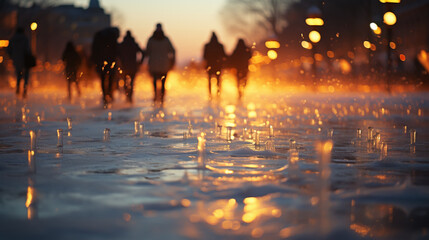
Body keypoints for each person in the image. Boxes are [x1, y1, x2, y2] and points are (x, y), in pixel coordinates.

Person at [146, 23, 175, 104]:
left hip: (154, 65)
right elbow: (172, 51)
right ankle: (160, 98)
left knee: (156, 82)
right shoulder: (166, 39)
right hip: (163, 65)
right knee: (161, 83)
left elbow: (147, 52)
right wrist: (172, 62)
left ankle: (157, 97)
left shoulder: (151, 39)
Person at [91, 27, 120, 106]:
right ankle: (110, 94)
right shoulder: (112, 37)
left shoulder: (98, 36)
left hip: (100, 61)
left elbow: (94, 50)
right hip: (111, 61)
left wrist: (94, 61)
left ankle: (104, 96)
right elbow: (117, 50)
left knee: (103, 79)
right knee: (111, 78)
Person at [119, 30, 145, 103]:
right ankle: (130, 96)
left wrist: (120, 62)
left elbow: (117, 54)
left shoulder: (122, 44)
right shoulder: (134, 44)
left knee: (125, 82)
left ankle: (127, 95)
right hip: (133, 67)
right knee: (132, 82)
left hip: (124, 67)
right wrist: (140, 62)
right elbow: (143, 52)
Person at [7, 27, 33, 98]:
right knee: (26, 75)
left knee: (19, 73)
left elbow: (8, 49)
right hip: (25, 59)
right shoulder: (25, 39)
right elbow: (28, 49)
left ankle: (18, 87)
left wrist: (12, 56)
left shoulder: (12, 39)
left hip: (16, 59)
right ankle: (25, 89)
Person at [203, 32, 227, 99]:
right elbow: (224, 56)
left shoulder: (207, 45)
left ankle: (210, 94)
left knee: (209, 80)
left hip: (209, 66)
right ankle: (218, 93)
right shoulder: (220, 46)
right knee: (218, 80)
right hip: (218, 66)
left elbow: (204, 56)